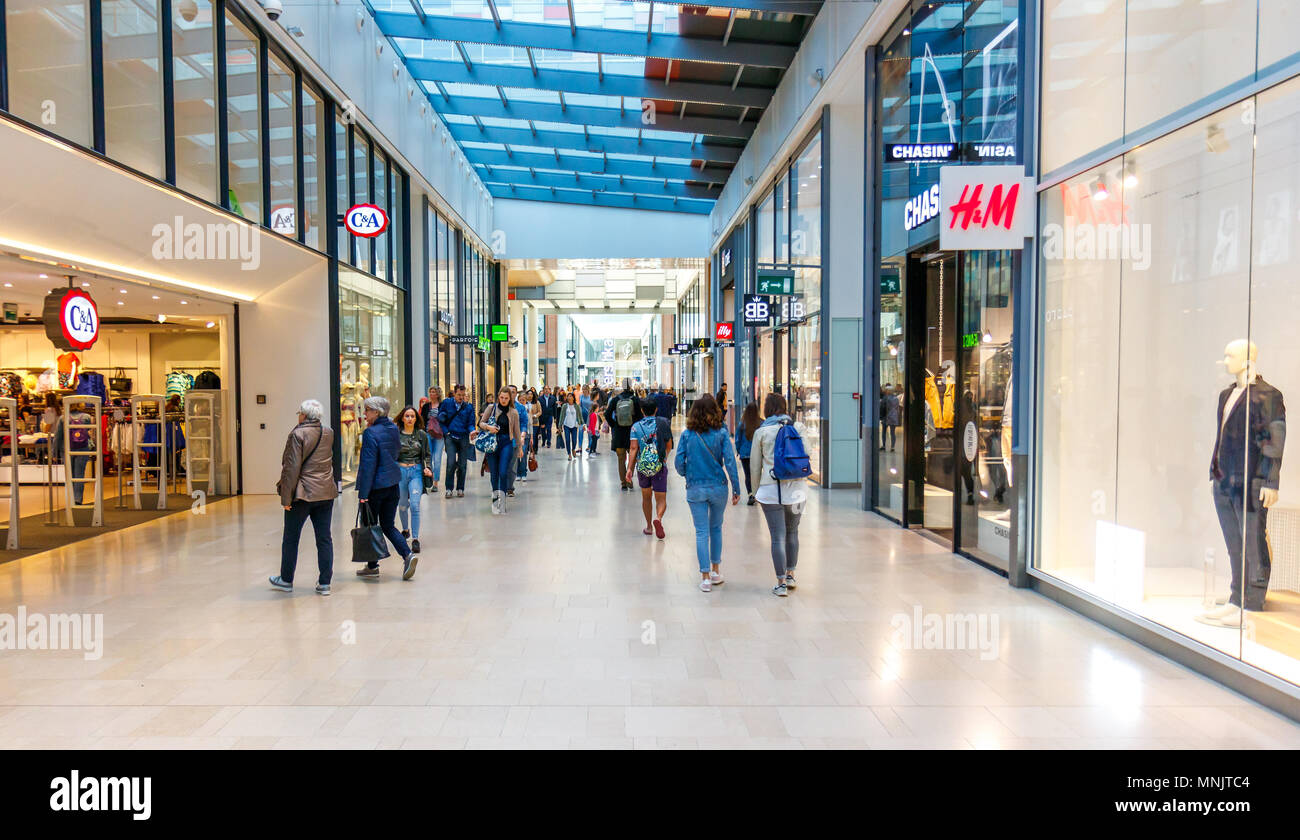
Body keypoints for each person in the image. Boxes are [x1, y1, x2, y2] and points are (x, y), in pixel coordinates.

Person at [270, 399, 338, 595]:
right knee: (324, 538)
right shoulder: (329, 432)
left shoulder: (297, 434)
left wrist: (286, 499)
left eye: (299, 412)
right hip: (325, 492)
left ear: (304, 415)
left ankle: (286, 579)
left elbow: (291, 469)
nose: (298, 415)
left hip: (302, 494)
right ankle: (325, 583)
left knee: (291, 538)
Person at [674, 394, 740, 592]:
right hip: (718, 487)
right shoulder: (721, 433)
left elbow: (678, 462)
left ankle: (704, 578)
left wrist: (688, 474)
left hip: (695, 488)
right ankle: (716, 571)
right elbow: (730, 462)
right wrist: (736, 488)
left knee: (701, 531)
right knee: (716, 528)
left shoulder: (687, 434)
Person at [749, 393, 808, 597]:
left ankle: (781, 582)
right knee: (793, 532)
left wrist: (755, 491)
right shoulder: (798, 428)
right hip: (798, 491)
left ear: (767, 409)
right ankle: (791, 574)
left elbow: (755, 466)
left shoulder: (762, 432)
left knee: (777, 536)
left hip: (770, 490)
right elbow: (806, 455)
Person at [355, 396, 417, 581]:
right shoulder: (392, 428)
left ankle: (373, 566)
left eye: (367, 410)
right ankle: (407, 555)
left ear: (377, 412)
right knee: (388, 525)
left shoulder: (370, 433)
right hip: (392, 483)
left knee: (369, 526)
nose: (364, 414)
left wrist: (363, 494)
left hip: (375, 487)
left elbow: (368, 466)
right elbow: (396, 451)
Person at [626, 396, 674, 539]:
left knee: (646, 498)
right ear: (656, 409)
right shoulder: (663, 423)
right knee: (661, 498)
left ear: (642, 410)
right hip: (659, 465)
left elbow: (633, 448)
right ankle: (658, 519)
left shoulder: (635, 427)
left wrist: (629, 469)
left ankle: (648, 527)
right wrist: (663, 458)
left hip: (643, 466)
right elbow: (669, 445)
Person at [395, 405, 433, 554]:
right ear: (402, 418)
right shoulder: (396, 434)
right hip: (400, 471)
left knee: (415, 505)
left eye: (412, 416)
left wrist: (428, 467)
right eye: (407, 416)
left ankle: (415, 539)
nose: (410, 419)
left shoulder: (422, 435)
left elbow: (427, 454)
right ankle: (405, 529)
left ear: (416, 418)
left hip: (416, 471)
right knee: (403, 504)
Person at [479, 387, 520, 515]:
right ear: (498, 397)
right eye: (501, 397)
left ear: (510, 399)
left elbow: (517, 432)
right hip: (492, 443)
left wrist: (519, 448)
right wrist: (489, 427)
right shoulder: (491, 408)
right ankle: (495, 500)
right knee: (494, 474)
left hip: (506, 443)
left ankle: (502, 502)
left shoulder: (513, 412)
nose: (503, 400)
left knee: (503, 472)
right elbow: (481, 423)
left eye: (506, 398)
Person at [604, 378, 644, 491]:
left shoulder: (616, 399)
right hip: (632, 434)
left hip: (619, 433)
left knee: (621, 459)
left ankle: (623, 483)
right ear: (631, 386)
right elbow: (640, 417)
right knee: (632, 458)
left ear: (622, 386)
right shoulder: (635, 400)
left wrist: (614, 425)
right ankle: (629, 480)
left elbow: (607, 414)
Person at [437, 384, 475, 498]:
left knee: (463, 465)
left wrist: (472, 431)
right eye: (459, 395)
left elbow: (471, 423)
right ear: (454, 393)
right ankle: (449, 488)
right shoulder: (446, 403)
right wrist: (446, 432)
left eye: (463, 395)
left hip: (463, 436)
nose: (461, 397)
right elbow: (440, 419)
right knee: (451, 463)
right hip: (450, 436)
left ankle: (460, 488)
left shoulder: (468, 407)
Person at [736, 400, 760, 506]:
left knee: (748, 475)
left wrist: (738, 450)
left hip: (745, 453)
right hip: (757, 454)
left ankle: (750, 494)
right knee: (756, 474)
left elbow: (738, 439)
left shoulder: (742, 424)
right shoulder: (761, 423)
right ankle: (757, 494)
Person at [423, 386, 445, 493]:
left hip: (439, 435)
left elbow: (446, 419)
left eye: (434, 392)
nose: (432, 394)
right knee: (429, 458)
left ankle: (436, 482)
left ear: (438, 394)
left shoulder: (442, 406)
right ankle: (430, 480)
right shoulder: (426, 406)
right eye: (430, 392)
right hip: (428, 434)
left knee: (437, 459)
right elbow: (422, 420)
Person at [560, 390, 582, 460]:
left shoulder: (577, 406)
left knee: (574, 440)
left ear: (573, 398)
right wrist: (560, 425)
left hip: (574, 426)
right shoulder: (564, 406)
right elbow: (562, 416)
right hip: (566, 425)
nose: (569, 397)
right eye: (568, 396)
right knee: (567, 440)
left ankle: (573, 449)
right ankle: (569, 454)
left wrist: (582, 424)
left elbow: (579, 416)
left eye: (570, 396)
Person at [882, 385, 901, 451]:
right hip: (894, 417)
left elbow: (883, 407)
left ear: (887, 391)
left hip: (886, 417)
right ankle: (892, 447)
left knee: (884, 432)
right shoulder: (896, 399)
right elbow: (898, 408)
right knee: (892, 432)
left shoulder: (885, 398)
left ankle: (884, 445)